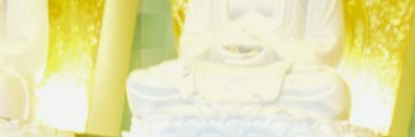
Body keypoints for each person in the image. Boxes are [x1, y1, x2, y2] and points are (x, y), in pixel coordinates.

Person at [125, 0, 350, 120]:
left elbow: (328, 46)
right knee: (141, 85)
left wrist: (273, 50)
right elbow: (190, 44)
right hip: (215, 74)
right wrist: (217, 49)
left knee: (330, 90)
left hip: (283, 74)